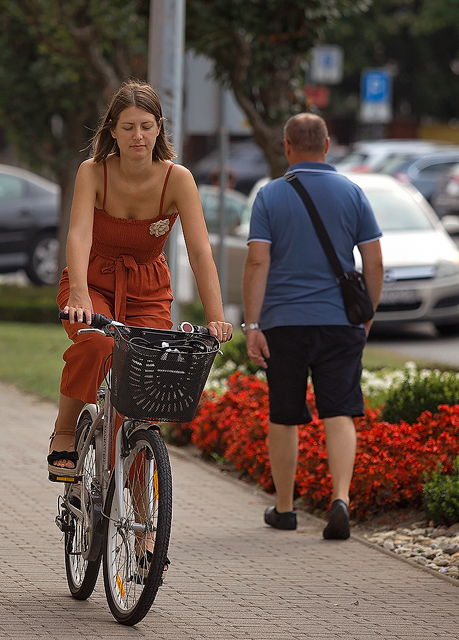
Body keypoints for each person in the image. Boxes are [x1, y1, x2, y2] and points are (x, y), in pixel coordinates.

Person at [51, 80, 234, 480]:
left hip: (148, 292)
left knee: (147, 386)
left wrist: (217, 316)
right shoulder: (93, 172)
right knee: (97, 344)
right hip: (92, 283)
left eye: (147, 126)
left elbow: (201, 251)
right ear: (112, 130)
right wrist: (80, 293)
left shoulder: (177, 179)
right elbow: (78, 234)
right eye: (129, 126)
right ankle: (65, 430)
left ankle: (142, 526)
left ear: (159, 128)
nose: (138, 136)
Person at [241, 113, 383, 540]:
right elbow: (374, 262)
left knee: (284, 414)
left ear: (286, 146)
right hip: (340, 322)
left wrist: (252, 324)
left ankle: (285, 509)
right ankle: (340, 499)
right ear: (326, 146)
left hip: (283, 323)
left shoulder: (269, 197)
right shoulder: (353, 193)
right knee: (339, 411)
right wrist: (367, 314)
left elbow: (257, 261)